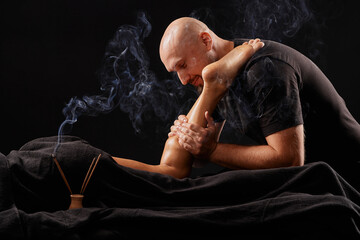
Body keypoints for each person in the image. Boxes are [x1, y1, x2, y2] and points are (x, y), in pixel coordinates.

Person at [115, 17, 360, 188]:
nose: (182, 80)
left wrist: (210, 149)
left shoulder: (264, 69)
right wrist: (195, 140)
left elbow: (290, 160)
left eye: (182, 65)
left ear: (206, 41)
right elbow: (194, 161)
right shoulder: (219, 76)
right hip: (312, 175)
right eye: (174, 72)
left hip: (347, 174)